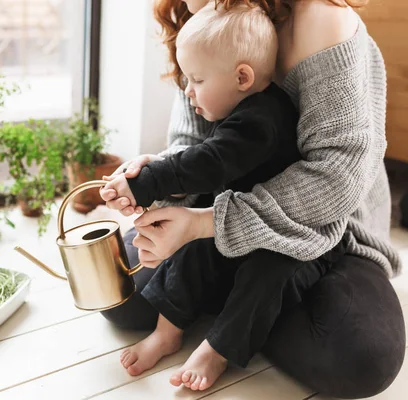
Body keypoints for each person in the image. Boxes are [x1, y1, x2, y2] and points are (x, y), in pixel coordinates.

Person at [98, 0, 406, 398]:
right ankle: (242, 306)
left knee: (362, 359)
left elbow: (337, 178)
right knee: (117, 293)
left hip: (331, 230)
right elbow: (195, 147)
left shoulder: (320, 19)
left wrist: (205, 224)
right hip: (225, 204)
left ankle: (231, 323)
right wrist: (157, 175)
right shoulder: (202, 19)